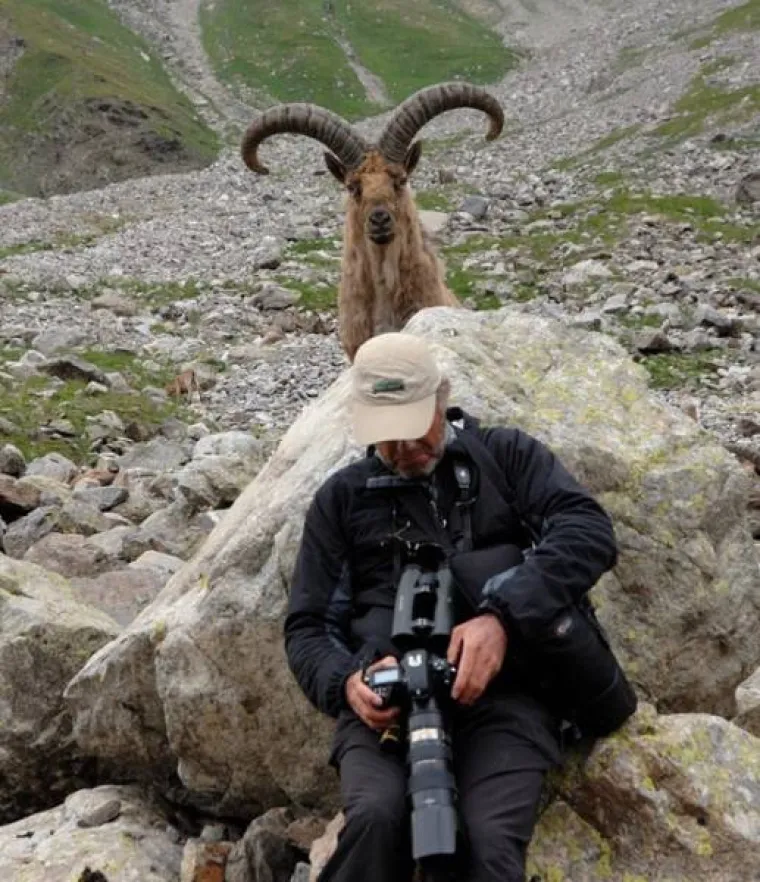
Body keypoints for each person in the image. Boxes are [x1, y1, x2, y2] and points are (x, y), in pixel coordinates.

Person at [284, 331, 620, 882]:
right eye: (387, 436)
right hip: (388, 710)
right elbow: (306, 627)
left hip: (506, 696)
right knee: (375, 819)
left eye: (416, 426)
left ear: (442, 398)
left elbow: (587, 531)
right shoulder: (341, 501)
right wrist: (346, 682)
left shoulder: (505, 457)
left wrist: (503, 618)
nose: (403, 448)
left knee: (489, 841)